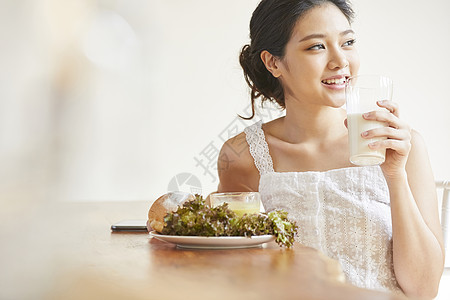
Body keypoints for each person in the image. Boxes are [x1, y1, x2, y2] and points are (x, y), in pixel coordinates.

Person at [217, 0, 444, 298]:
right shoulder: (243, 156)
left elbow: (424, 290)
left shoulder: (401, 145)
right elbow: (230, 270)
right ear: (273, 63)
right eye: (316, 47)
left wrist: (395, 174)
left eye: (347, 42)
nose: (340, 61)